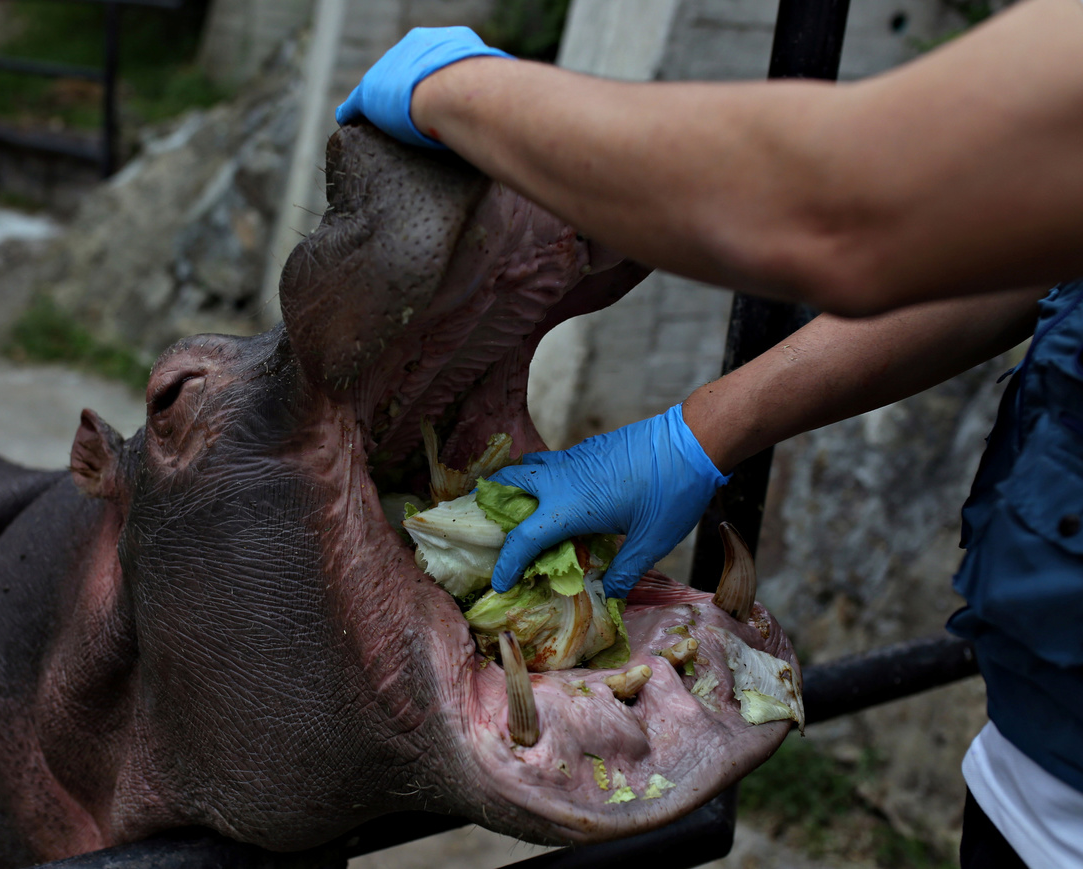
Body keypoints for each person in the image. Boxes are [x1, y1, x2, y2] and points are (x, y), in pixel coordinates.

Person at [335, 3, 1083, 867]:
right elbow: (1020, 241)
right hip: (1033, 779)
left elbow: (851, 201)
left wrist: (456, 92)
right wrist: (696, 435)